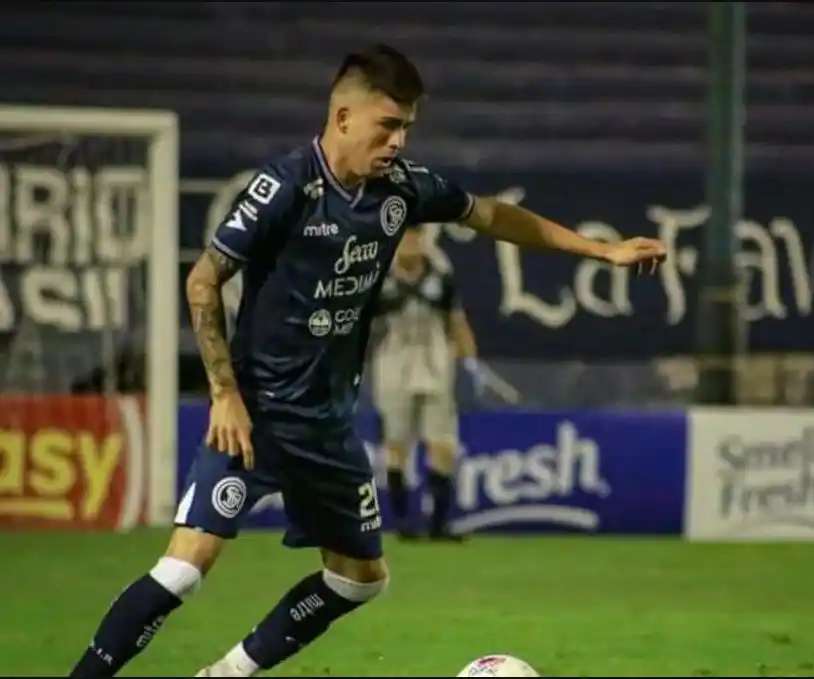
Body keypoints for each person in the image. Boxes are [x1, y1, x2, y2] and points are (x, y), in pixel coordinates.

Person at [67, 44, 666, 679]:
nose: (399, 141)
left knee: (360, 580)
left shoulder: (401, 191)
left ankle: (226, 674)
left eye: (407, 127)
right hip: (255, 420)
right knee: (185, 567)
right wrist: (224, 393)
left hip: (328, 428)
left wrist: (601, 252)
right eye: (389, 125)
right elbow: (203, 281)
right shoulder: (284, 187)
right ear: (344, 117)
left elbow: (490, 215)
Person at [371, 227, 479, 541]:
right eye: (406, 238)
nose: (411, 244)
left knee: (442, 442)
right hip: (393, 364)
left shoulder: (440, 278)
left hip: (435, 365)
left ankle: (439, 525)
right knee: (396, 443)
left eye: (417, 238)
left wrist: (469, 360)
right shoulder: (380, 280)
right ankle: (403, 522)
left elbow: (457, 322)